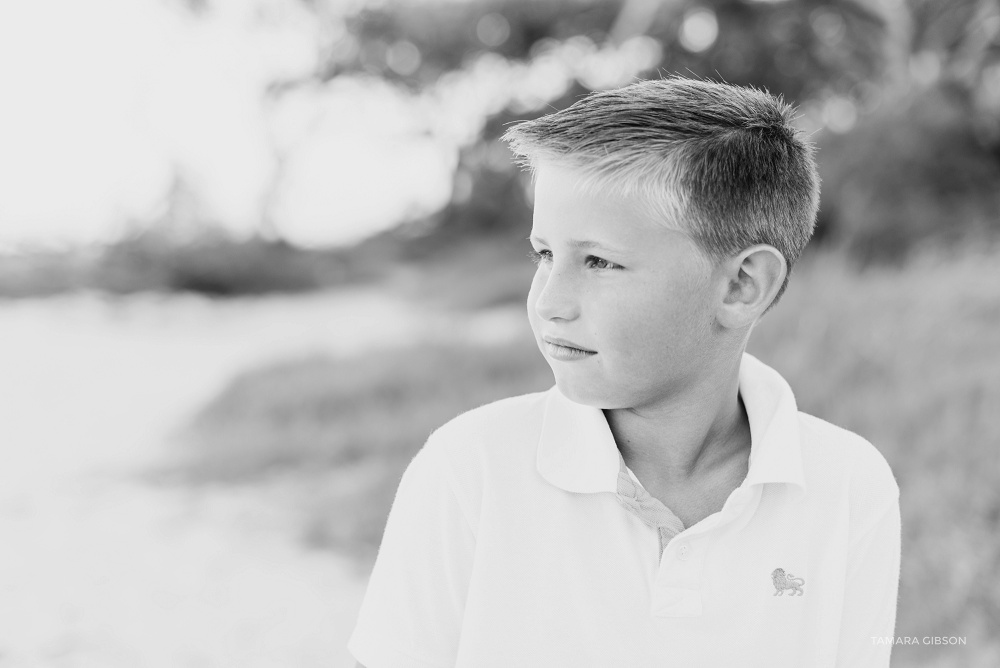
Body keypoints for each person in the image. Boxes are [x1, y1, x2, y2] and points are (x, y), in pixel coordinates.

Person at [348, 76, 901, 667]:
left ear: (742, 286)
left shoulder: (848, 487)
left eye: (600, 262)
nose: (549, 301)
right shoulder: (471, 468)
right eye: (544, 254)